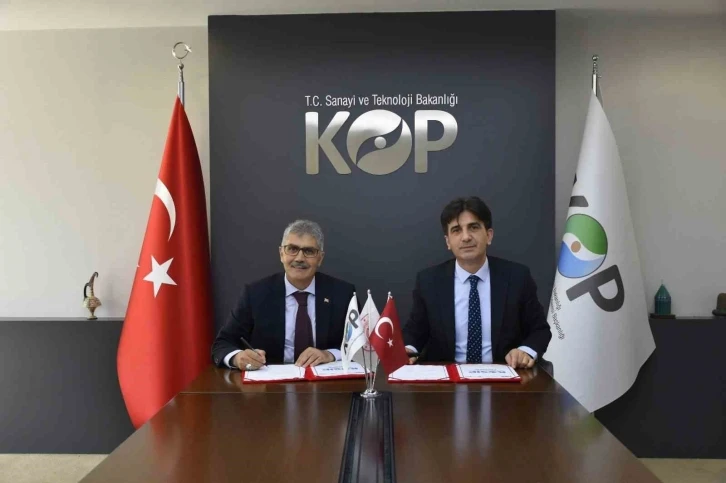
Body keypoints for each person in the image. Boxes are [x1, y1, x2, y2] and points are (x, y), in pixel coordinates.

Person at [402, 197, 552, 369]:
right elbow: (415, 331)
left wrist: (524, 351)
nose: (466, 237)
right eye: (457, 230)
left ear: (489, 235)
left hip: (504, 374)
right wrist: (408, 350)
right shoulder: (429, 281)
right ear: (448, 242)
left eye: (473, 227)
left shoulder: (517, 277)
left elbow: (539, 330)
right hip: (449, 378)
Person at [212, 220, 355, 370]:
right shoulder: (255, 294)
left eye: (309, 251)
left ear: (320, 258)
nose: (299, 258)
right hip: (270, 380)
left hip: (326, 381)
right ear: (281, 254)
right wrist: (237, 358)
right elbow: (222, 344)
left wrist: (330, 354)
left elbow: (359, 346)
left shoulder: (343, 294)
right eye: (292, 249)